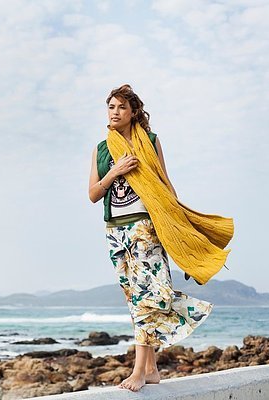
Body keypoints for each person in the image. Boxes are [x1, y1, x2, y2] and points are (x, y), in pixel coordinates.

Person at [88, 84, 233, 392]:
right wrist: (115, 171)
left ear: (133, 113)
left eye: (120, 108)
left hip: (145, 227)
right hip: (115, 230)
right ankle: (152, 368)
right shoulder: (101, 149)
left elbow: (166, 186)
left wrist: (184, 237)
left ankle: (139, 371)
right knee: (134, 298)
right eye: (110, 107)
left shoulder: (150, 141)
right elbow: (93, 194)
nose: (114, 112)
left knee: (145, 297)